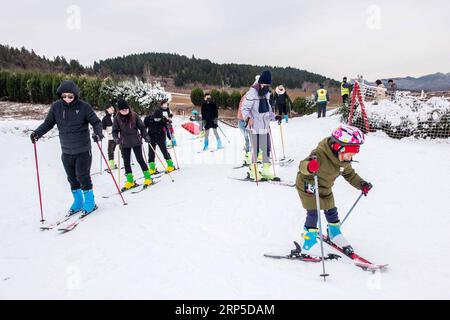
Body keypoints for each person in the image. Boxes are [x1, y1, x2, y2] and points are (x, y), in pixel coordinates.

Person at [295, 124, 372, 255]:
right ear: (338, 148)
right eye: (348, 155)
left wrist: (362, 184)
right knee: (313, 213)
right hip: (309, 185)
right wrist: (309, 167)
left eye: (352, 155)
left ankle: (334, 233)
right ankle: (308, 239)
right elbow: (302, 165)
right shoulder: (319, 154)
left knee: (331, 210)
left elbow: (350, 174)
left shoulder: (343, 161)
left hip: (325, 187)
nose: (350, 158)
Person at [30, 80, 103, 216]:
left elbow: (96, 122)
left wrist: (98, 133)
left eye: (70, 96)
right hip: (66, 150)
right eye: (64, 96)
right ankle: (78, 202)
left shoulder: (84, 107)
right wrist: (37, 133)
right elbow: (48, 123)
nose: (67, 99)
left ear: (75, 95)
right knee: (71, 178)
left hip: (82, 150)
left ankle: (90, 202)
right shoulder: (56, 107)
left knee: (83, 176)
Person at [241, 70, 277, 180]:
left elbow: (268, 109)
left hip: (265, 127)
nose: (267, 88)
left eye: (268, 86)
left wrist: (274, 117)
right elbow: (245, 108)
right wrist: (248, 118)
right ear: (260, 84)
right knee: (255, 150)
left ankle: (266, 171)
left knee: (266, 149)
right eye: (265, 85)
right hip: (254, 126)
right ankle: (254, 171)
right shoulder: (251, 93)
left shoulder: (266, 93)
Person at [112, 99, 152, 190]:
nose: (124, 112)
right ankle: (130, 181)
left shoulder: (134, 115)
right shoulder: (117, 118)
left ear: (128, 108)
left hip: (136, 141)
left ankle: (148, 178)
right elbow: (114, 131)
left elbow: (141, 127)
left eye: (126, 109)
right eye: (122, 110)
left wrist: (145, 135)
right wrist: (116, 139)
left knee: (140, 159)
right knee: (126, 162)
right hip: (124, 143)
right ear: (119, 110)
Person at [144, 101, 176, 175]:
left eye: (159, 119)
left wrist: (168, 125)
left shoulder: (163, 118)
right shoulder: (148, 119)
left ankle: (170, 165)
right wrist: (144, 135)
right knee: (151, 153)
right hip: (151, 138)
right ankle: (152, 168)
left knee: (164, 152)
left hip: (161, 137)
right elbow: (143, 128)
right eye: (156, 119)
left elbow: (168, 125)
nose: (158, 120)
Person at [102, 104, 117, 170]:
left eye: (112, 107)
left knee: (123, 149)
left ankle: (125, 163)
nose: (112, 108)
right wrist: (101, 135)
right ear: (107, 109)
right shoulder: (105, 118)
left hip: (119, 136)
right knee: (110, 151)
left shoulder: (117, 116)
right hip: (111, 137)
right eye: (111, 108)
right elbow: (103, 128)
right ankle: (112, 165)